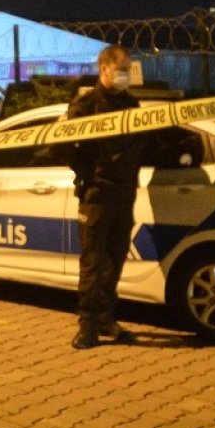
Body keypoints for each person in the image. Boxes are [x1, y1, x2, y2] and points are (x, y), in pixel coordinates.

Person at [62, 46, 144, 350]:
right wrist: (89, 173)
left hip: (125, 194)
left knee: (115, 260)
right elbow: (65, 147)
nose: (126, 74)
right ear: (104, 69)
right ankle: (88, 326)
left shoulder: (131, 104)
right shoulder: (86, 105)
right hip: (96, 195)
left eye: (128, 68)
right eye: (122, 68)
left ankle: (107, 318)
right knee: (93, 264)